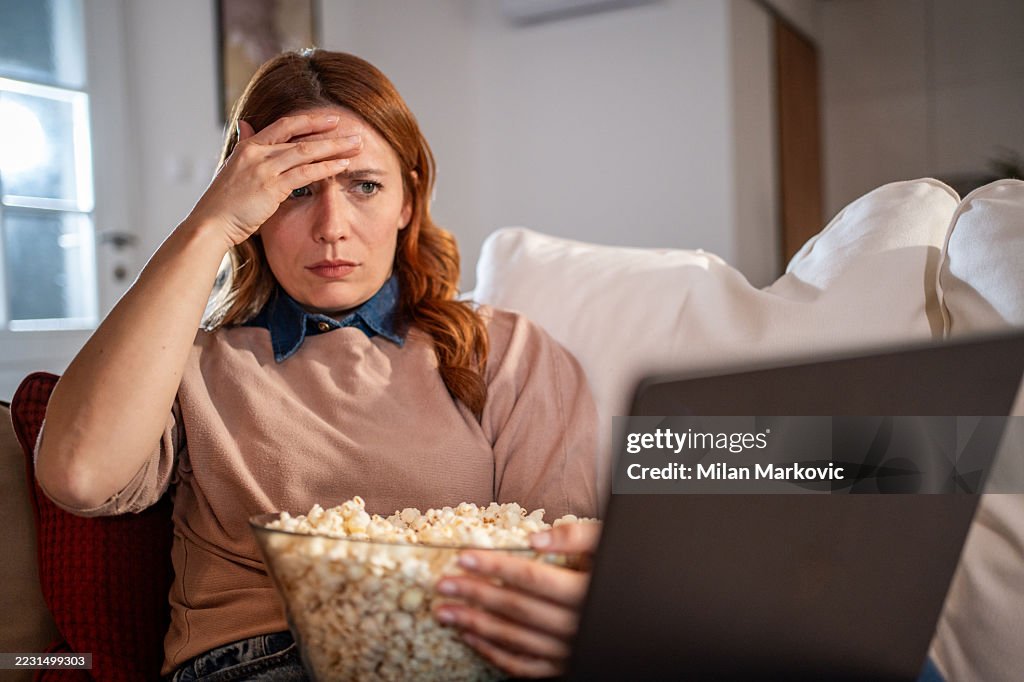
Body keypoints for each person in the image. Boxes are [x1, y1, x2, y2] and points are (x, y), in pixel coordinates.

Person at [35, 49, 600, 680]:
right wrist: (208, 225)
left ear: (408, 200)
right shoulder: (190, 366)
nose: (333, 227)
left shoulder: (508, 352)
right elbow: (79, 475)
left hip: (451, 651)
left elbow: (559, 565)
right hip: (255, 661)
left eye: (365, 186)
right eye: (296, 190)